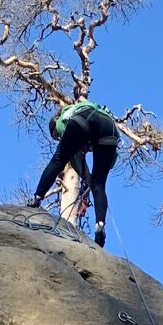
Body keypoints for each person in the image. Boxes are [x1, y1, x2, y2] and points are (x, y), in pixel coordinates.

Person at [30, 99, 119, 246]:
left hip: (84, 120)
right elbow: (111, 161)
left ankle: (37, 198)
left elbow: (73, 158)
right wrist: (92, 178)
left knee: (58, 160)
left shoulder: (61, 120)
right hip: (109, 126)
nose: (60, 138)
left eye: (57, 136)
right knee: (99, 184)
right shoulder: (84, 107)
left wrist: (86, 177)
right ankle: (100, 225)